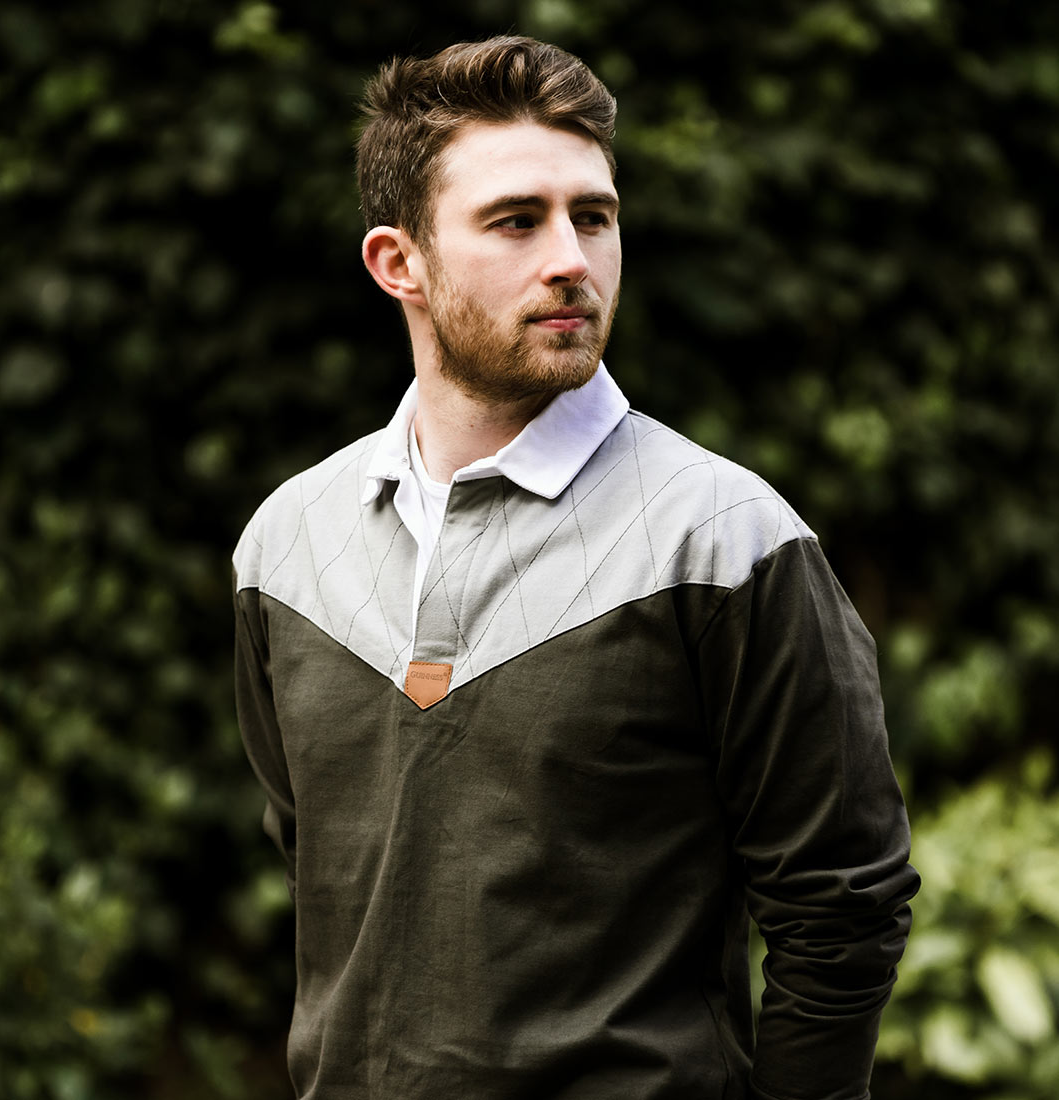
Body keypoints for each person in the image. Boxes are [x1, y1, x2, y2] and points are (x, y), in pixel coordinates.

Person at [233, 35, 919, 1100]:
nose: (571, 259)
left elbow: (841, 910)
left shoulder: (726, 538)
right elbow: (322, 869)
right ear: (396, 262)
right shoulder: (286, 544)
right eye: (516, 220)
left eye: (592, 217)